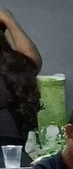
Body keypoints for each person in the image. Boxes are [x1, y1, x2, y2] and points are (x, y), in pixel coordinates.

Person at [0, 8, 42, 149]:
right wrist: (8, 19)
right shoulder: (14, 72)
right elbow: (32, 61)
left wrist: (8, 19)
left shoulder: (12, 71)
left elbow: (32, 62)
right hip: (13, 149)